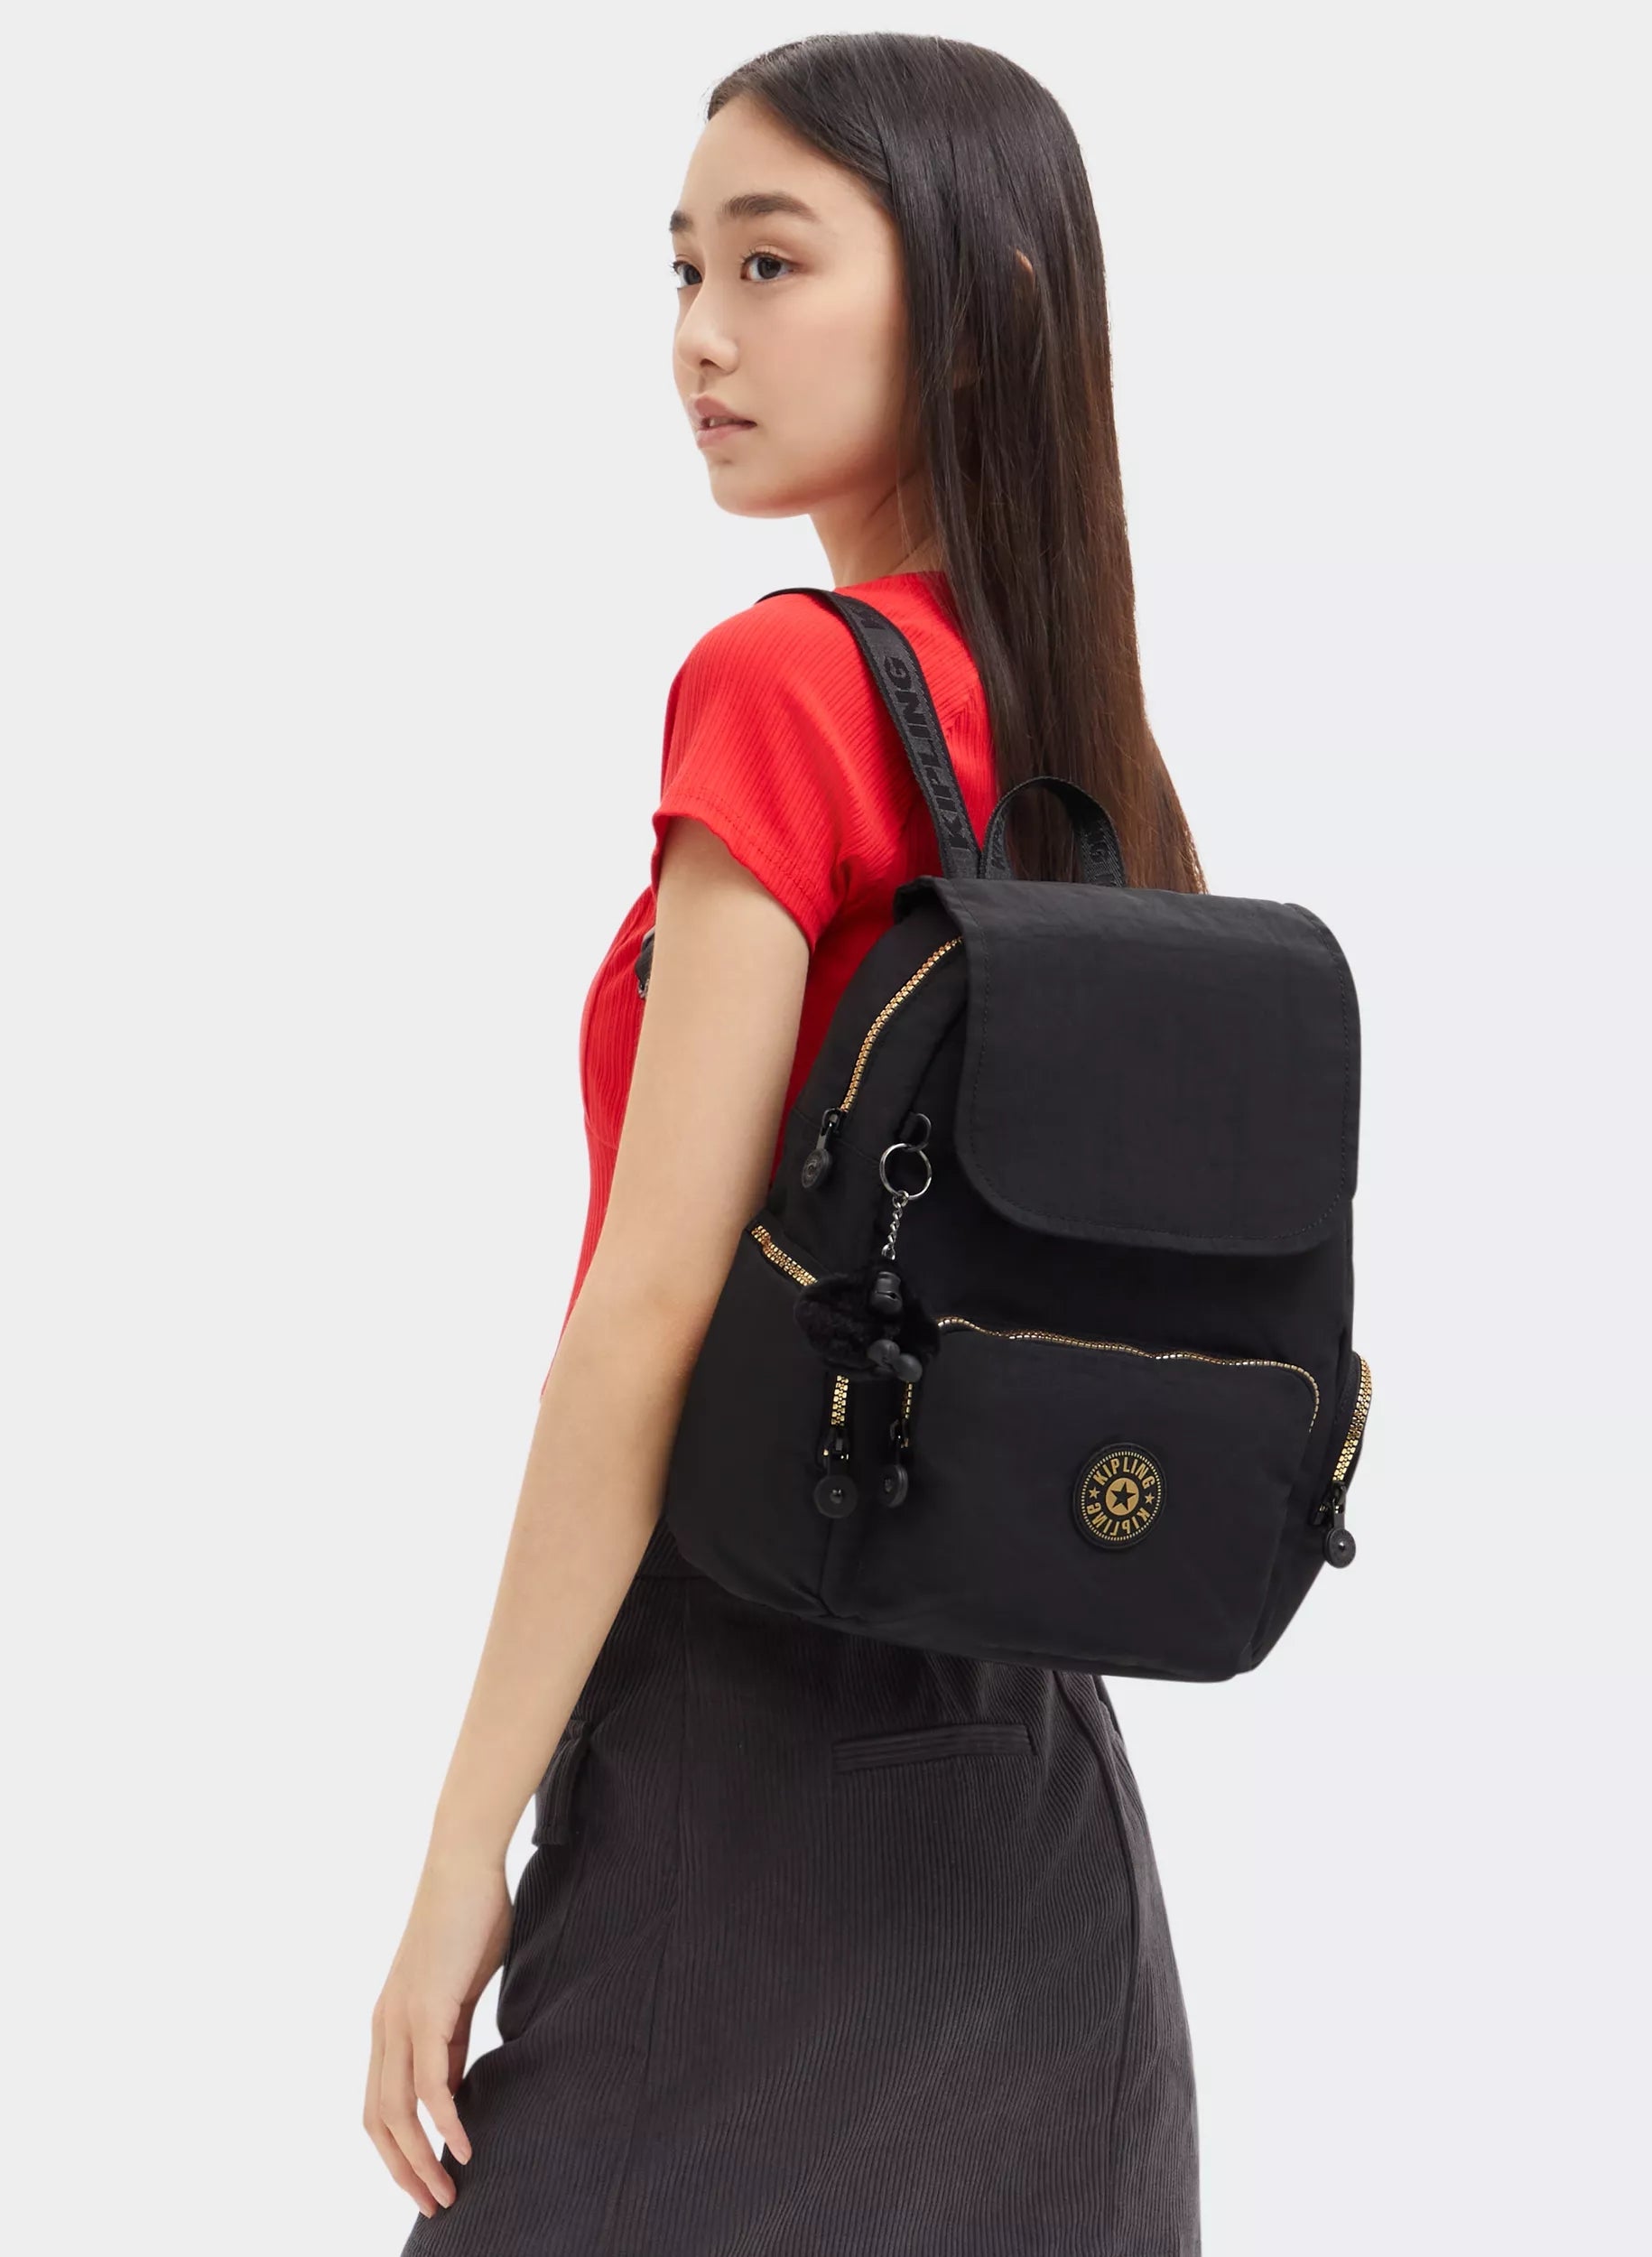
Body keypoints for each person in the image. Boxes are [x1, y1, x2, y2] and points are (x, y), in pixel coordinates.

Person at [367, 33, 1211, 2254]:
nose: (701, 338)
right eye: (680, 270)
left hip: (751, 1730)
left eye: (769, 262)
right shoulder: (1078, 730)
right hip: (1031, 1791)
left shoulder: (786, 683)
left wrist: (461, 1850)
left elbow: (648, 1307)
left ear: (979, 302)